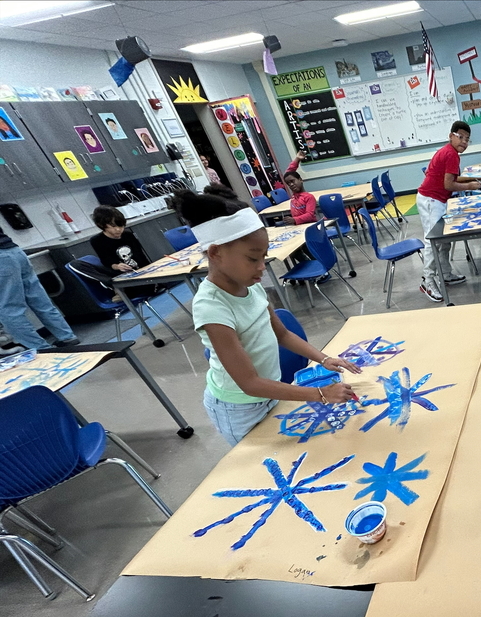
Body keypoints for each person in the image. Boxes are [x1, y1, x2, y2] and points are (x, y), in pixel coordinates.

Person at [172, 190, 361, 446]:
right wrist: (320, 394)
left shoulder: (251, 284)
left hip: (270, 390)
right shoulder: (211, 307)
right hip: (239, 407)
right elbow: (249, 383)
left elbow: (281, 334)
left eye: (263, 256)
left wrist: (324, 358)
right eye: (252, 258)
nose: (262, 266)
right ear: (215, 253)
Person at [415, 121, 481, 302]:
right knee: (432, 241)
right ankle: (427, 281)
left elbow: (450, 177)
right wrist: (470, 185)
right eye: (460, 137)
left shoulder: (448, 152)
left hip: (435, 199)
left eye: (467, 140)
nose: (464, 142)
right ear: (451, 136)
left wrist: (470, 178)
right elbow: (448, 184)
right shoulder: (451, 154)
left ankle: (445, 274)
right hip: (431, 200)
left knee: (444, 240)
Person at [0, 224, 79, 349]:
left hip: (2, 259)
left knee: (9, 309)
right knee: (39, 300)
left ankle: (40, 348)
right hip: (14, 251)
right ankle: (67, 337)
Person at [89, 206, 150, 274]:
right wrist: (117, 266)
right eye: (113, 226)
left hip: (142, 271)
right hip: (122, 275)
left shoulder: (128, 235)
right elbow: (107, 262)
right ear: (101, 225)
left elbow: (141, 256)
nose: (118, 229)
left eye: (121, 226)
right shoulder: (97, 241)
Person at [281, 151, 318, 226]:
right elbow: (288, 174)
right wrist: (297, 159)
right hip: (298, 226)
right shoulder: (294, 197)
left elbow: (310, 215)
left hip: (310, 226)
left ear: (300, 180)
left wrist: (294, 220)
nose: (291, 184)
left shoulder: (308, 197)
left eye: (292, 181)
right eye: (288, 184)